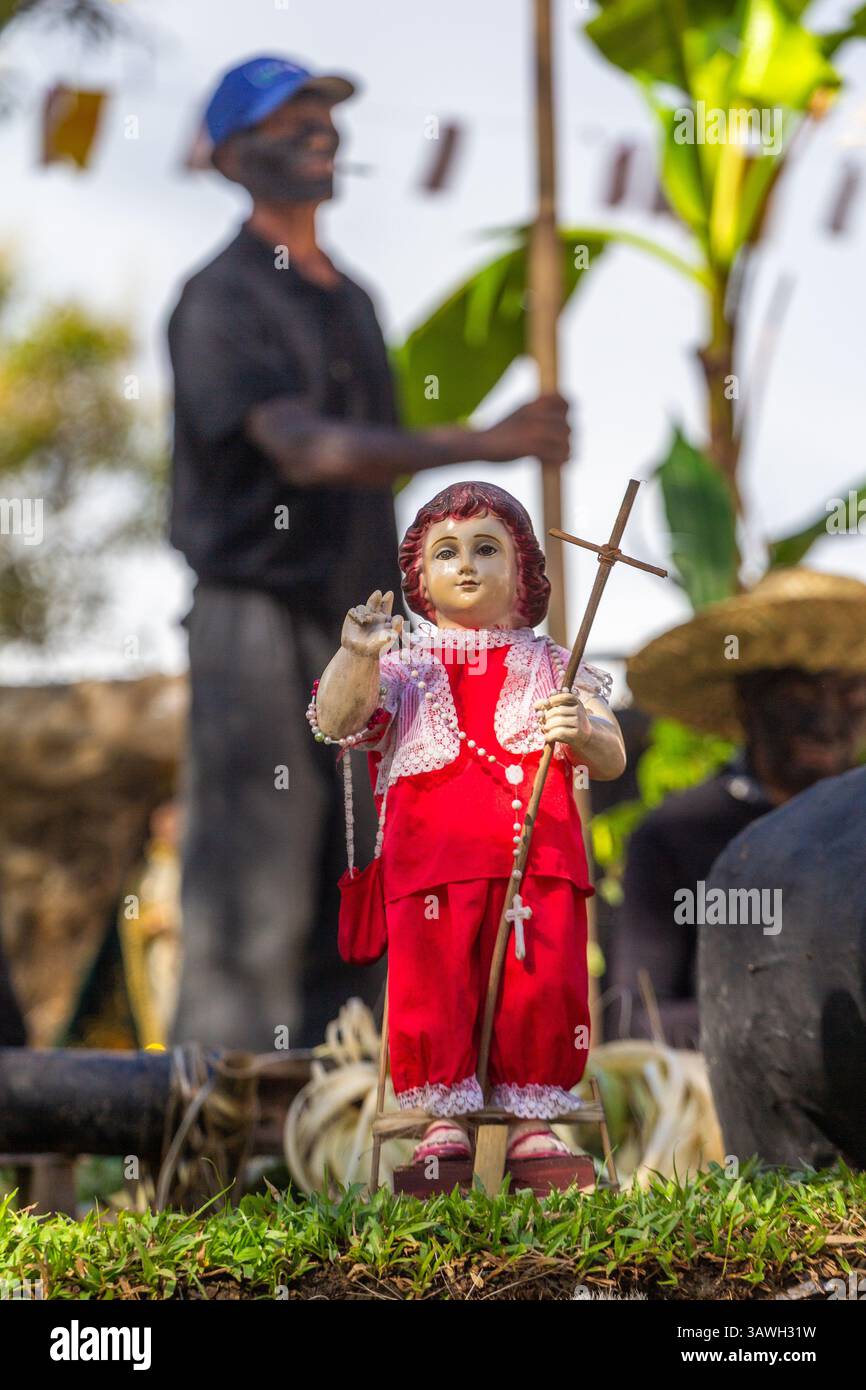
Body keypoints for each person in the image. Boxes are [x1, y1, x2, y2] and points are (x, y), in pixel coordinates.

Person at [167, 56, 570, 1052]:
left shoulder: (350, 301)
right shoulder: (217, 299)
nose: (315, 129)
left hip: (367, 628)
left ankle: (335, 1129)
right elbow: (305, 449)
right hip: (255, 622)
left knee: (363, 870)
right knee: (252, 885)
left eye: (323, 113)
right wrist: (489, 438)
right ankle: (212, 1148)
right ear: (228, 156)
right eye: (285, 116)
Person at [312, 482, 626, 1164]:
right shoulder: (402, 670)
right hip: (432, 871)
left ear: (522, 572)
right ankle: (442, 1116)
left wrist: (586, 730)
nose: (467, 565)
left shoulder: (552, 665)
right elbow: (337, 721)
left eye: (487, 549)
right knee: (437, 985)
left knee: (538, 980)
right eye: (447, 552)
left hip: (537, 871)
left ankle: (531, 1116)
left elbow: (609, 753)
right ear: (420, 577)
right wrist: (357, 655)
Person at [608, 567, 866, 1049]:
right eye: (798, 698)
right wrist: (801, 1027)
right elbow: (637, 1019)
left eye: (850, 696)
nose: (826, 722)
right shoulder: (676, 835)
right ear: (748, 704)